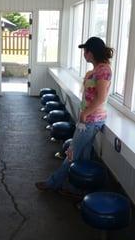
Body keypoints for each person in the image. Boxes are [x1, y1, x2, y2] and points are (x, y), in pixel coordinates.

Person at [36, 36, 113, 195]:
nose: (84, 54)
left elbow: (101, 97)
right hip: (88, 118)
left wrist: (85, 113)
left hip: (91, 120)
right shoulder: (96, 70)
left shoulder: (103, 70)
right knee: (84, 155)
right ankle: (78, 188)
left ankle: (53, 183)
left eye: (85, 51)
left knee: (72, 151)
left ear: (91, 52)